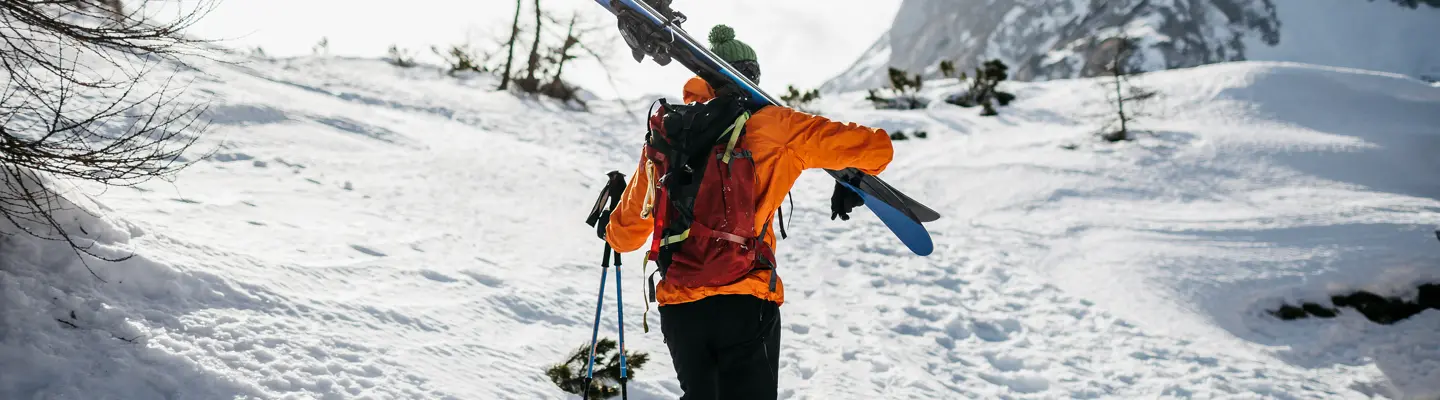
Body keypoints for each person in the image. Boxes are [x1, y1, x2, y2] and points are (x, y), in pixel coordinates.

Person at [604, 24, 894, 400]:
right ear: (752, 77)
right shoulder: (777, 126)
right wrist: (849, 171)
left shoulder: (668, 132)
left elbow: (624, 236)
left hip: (680, 308)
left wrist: (611, 223)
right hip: (744, 298)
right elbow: (878, 150)